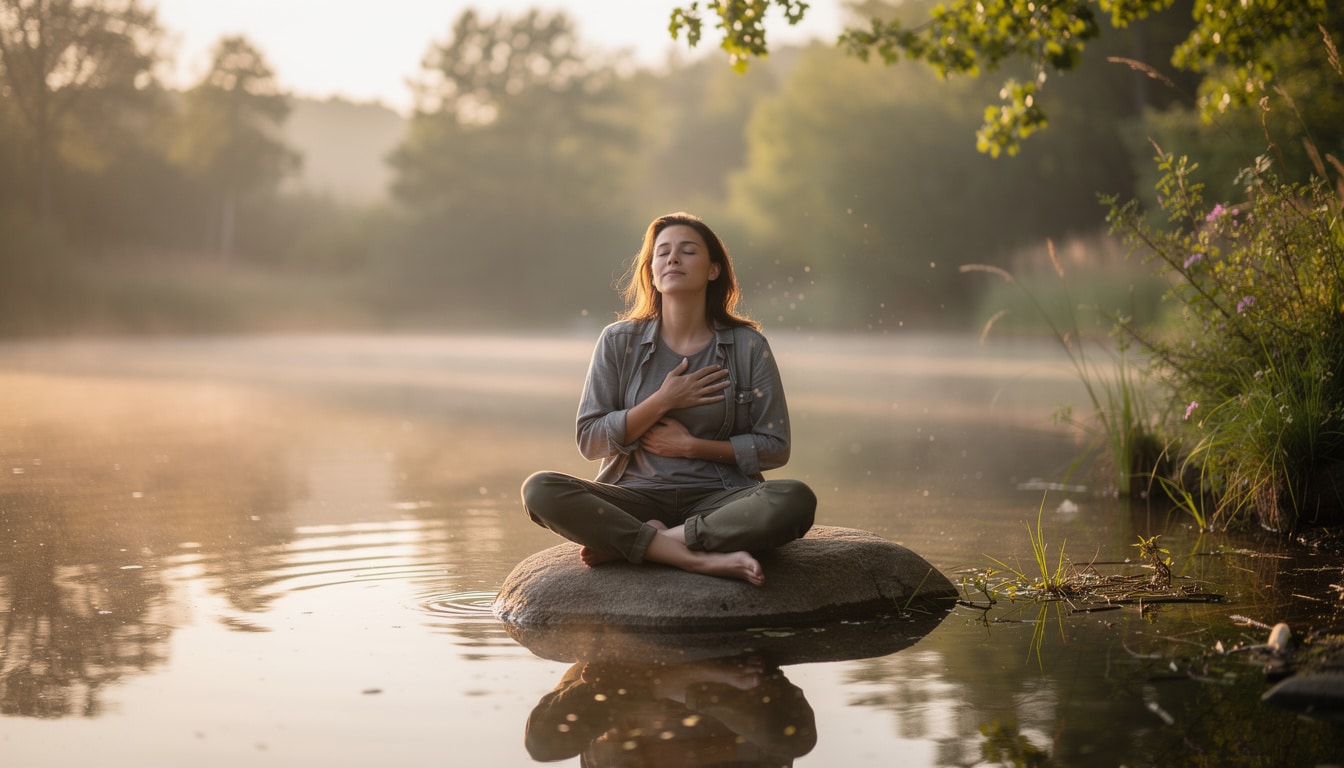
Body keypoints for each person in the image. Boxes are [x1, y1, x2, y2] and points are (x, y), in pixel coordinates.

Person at [521, 212, 816, 586]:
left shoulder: (748, 346)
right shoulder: (618, 341)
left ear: (713, 270)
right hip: (633, 498)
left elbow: (775, 447)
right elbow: (590, 440)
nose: (672, 259)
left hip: (721, 498)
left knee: (794, 498)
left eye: (687, 251)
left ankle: (647, 543)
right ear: (652, 272)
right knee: (539, 489)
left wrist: (694, 447)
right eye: (662, 253)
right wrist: (662, 400)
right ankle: (696, 558)